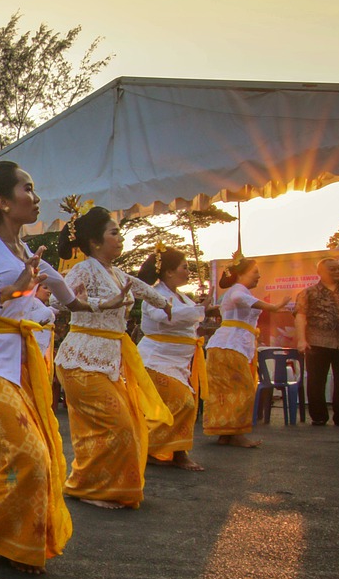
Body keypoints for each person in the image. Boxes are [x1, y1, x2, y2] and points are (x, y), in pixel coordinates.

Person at [0, 162, 110, 572]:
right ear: (1, 202)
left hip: (20, 365)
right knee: (29, 457)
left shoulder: (29, 254)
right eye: (27, 189)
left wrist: (85, 301)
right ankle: (7, 540)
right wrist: (7, 290)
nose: (35, 197)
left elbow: (71, 301)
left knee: (38, 455)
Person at [53, 206, 173, 509]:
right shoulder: (83, 270)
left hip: (109, 359)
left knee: (127, 424)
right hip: (81, 358)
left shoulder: (116, 274)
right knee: (116, 424)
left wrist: (165, 302)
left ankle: (97, 484)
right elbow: (58, 300)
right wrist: (102, 303)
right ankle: (93, 488)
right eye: (114, 232)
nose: (120, 238)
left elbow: (143, 289)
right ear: (95, 242)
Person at [203, 255, 291, 448]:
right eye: (255, 272)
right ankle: (235, 433)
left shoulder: (237, 292)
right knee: (242, 389)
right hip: (230, 345)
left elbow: (230, 305)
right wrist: (275, 306)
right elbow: (238, 299)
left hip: (229, 345)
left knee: (226, 391)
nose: (258, 276)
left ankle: (226, 433)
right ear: (241, 274)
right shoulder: (238, 292)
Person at [136, 245, 210, 471]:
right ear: (168, 272)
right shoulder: (154, 295)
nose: (188, 272)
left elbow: (190, 316)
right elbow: (163, 315)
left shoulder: (182, 297)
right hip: (156, 360)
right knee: (183, 403)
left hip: (177, 362)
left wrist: (205, 309)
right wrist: (199, 310)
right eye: (184, 267)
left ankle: (167, 450)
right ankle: (165, 450)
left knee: (183, 404)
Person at [295, 257, 339, 427]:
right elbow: (300, 316)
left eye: (338, 269)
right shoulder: (309, 292)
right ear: (320, 273)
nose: (337, 272)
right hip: (317, 342)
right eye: (332, 269)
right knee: (316, 381)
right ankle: (319, 416)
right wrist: (301, 340)